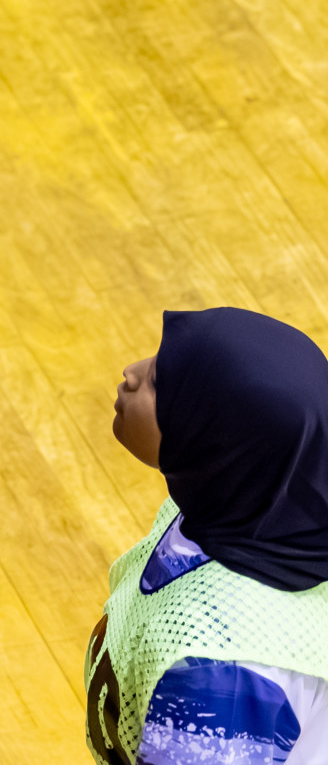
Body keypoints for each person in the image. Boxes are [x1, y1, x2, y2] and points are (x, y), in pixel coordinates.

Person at [88, 307, 328, 764]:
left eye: (160, 384)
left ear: (220, 446)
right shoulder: (224, 514)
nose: (131, 374)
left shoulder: (223, 674)